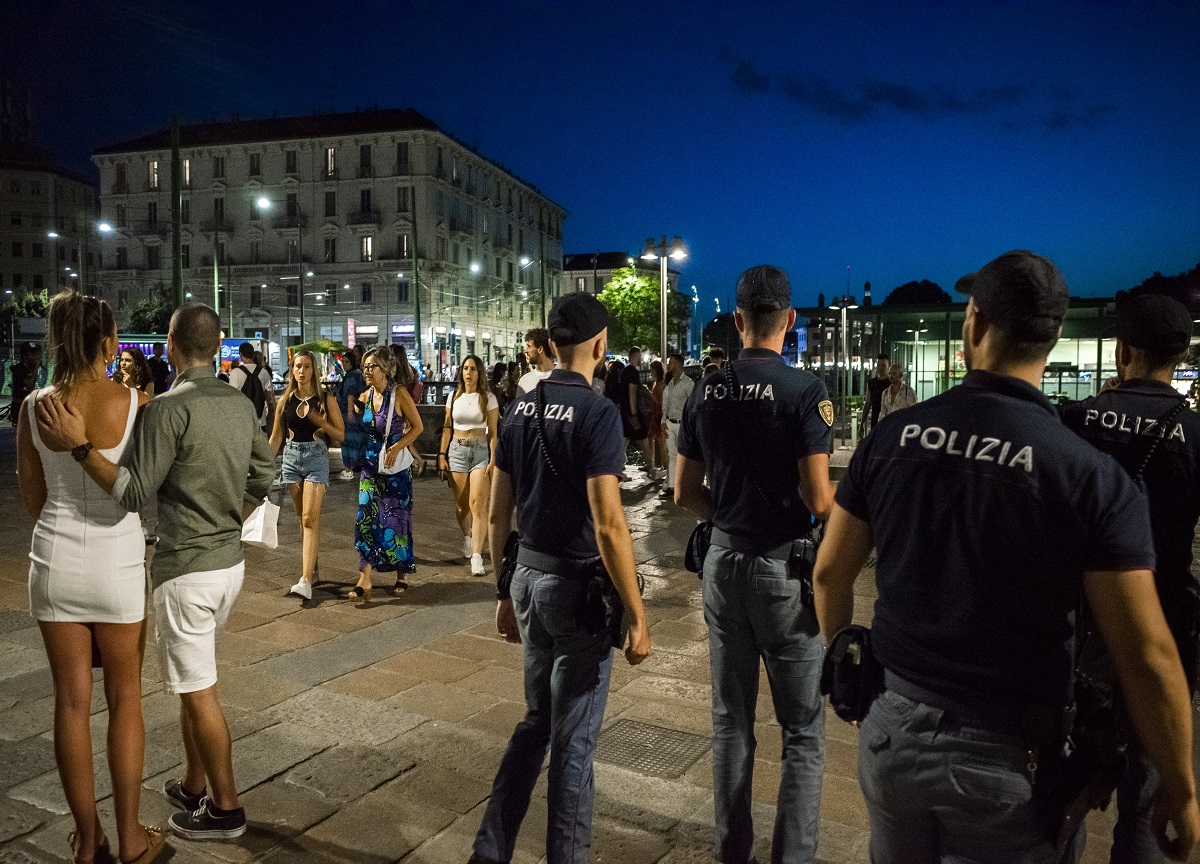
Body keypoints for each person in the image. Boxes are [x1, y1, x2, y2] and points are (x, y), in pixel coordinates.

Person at [812, 250, 1200, 864]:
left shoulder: (895, 436)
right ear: (1051, 339)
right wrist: (1180, 785)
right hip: (1009, 757)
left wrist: (848, 666)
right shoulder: (1087, 474)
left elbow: (831, 571)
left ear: (974, 323)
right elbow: (1146, 654)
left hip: (895, 730)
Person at [37, 302, 276, 844]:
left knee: (198, 690)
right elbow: (265, 474)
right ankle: (193, 783)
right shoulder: (240, 404)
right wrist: (230, 517)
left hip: (186, 568)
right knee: (199, 675)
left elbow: (133, 493)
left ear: (170, 346)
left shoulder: (168, 408)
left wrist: (80, 448)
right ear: (216, 347)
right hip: (228, 565)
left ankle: (226, 808)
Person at [471, 292, 651, 864]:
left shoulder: (519, 409)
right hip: (576, 593)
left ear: (550, 344)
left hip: (526, 577)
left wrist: (503, 590)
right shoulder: (598, 414)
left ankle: (490, 849)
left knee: (535, 724)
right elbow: (609, 524)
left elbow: (498, 513)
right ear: (600, 345)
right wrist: (638, 615)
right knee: (574, 746)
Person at [675, 265, 835, 864]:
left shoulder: (705, 389)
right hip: (782, 571)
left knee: (729, 721)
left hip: (721, 560)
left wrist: (727, 516)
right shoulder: (804, 391)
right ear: (789, 321)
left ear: (737, 320)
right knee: (801, 731)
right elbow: (820, 499)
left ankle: (732, 852)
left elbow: (683, 489)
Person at [18, 293, 164, 864]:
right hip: (117, 560)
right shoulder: (135, 401)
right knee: (125, 699)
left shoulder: (34, 405)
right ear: (108, 341)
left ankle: (88, 839)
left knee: (71, 703)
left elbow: (33, 500)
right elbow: (139, 490)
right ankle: (131, 838)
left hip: (54, 560)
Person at [1060, 294, 1200, 863]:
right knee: (1145, 791)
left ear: (1123, 352)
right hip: (1164, 620)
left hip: (1082, 622)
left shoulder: (1078, 420)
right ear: (1181, 354)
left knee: (1062, 775)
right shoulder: (1194, 433)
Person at [269, 350, 344, 601]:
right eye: (298, 367)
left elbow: (341, 435)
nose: (302, 371)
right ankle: (311, 565)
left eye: (307, 367)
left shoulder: (325, 400)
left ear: (315, 370)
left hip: (316, 458)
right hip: (290, 459)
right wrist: (263, 465)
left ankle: (305, 580)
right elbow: (276, 438)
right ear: (292, 370)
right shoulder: (285, 400)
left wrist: (321, 423)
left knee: (311, 518)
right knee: (302, 520)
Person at [352, 346, 424, 600]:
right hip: (371, 466)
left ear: (385, 369)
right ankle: (365, 576)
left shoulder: (399, 393)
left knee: (395, 521)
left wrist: (397, 446)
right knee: (366, 520)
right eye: (365, 367)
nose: (367, 371)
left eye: (372, 367)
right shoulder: (367, 395)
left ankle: (401, 573)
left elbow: (418, 427)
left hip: (395, 469)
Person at [437, 355, 500, 577]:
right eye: (465, 368)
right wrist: (442, 454)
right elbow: (447, 427)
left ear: (479, 373)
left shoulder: (488, 398)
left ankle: (476, 556)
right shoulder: (454, 397)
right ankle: (467, 537)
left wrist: (494, 458)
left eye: (473, 369)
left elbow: (493, 433)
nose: (468, 372)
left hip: (481, 451)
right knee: (462, 506)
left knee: (478, 504)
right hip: (457, 451)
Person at [661, 352, 694, 499]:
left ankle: (682, 486)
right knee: (672, 455)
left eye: (671, 362)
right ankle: (671, 486)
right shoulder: (670, 383)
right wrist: (663, 421)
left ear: (680, 364)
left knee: (682, 456)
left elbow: (692, 407)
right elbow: (665, 404)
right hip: (670, 422)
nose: (669, 365)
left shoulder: (688, 383)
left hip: (681, 424)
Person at [619, 347, 654, 475]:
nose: (641, 358)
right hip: (631, 411)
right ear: (635, 356)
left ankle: (618, 467)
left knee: (624, 439)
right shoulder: (633, 372)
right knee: (643, 437)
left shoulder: (624, 371)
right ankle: (651, 467)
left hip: (624, 410)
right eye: (640, 356)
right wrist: (634, 413)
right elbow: (632, 392)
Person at [393, 344, 426, 475]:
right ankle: (415, 461)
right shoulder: (410, 371)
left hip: (404, 410)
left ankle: (418, 460)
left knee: (403, 437)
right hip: (410, 409)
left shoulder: (401, 374)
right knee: (405, 438)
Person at [336, 350, 368, 481]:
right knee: (359, 439)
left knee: (349, 440)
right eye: (343, 362)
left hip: (350, 413)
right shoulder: (358, 374)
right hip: (358, 413)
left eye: (347, 362)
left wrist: (349, 411)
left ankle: (349, 466)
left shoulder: (351, 376)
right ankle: (359, 465)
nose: (344, 365)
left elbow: (350, 394)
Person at [228, 342, 273, 431]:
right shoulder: (264, 372)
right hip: (260, 421)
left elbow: (232, 398)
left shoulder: (235, 373)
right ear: (253, 354)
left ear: (241, 354)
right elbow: (270, 397)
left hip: (241, 421)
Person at [9, 341, 45, 421]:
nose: (35, 357)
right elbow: (29, 383)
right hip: (19, 407)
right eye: (32, 354)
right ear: (25, 356)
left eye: (36, 354)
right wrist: (36, 367)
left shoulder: (30, 369)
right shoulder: (19, 369)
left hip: (28, 406)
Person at [516, 327, 555, 395]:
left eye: (529, 346)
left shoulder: (562, 378)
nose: (526, 351)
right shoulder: (525, 381)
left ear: (540, 349)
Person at [648, 359, 667, 479]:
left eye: (652, 370)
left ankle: (659, 464)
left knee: (658, 439)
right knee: (655, 438)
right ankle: (658, 464)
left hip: (658, 414)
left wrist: (648, 393)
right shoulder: (658, 382)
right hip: (656, 414)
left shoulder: (661, 383)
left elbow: (660, 401)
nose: (650, 372)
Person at [863, 354, 891, 433]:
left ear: (888, 366)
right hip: (875, 419)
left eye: (884, 365)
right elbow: (868, 403)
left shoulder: (892, 383)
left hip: (889, 419)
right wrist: (862, 422)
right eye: (879, 365)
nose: (881, 368)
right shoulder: (871, 383)